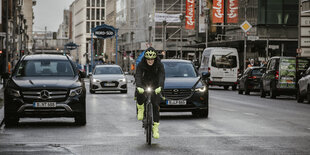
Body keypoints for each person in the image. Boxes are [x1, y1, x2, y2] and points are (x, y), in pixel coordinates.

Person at [135, 47, 165, 139]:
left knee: (155, 105)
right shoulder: (141, 64)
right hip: (144, 83)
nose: (150, 61)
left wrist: (160, 86)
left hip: (155, 85)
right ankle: (140, 108)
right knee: (139, 93)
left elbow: (161, 76)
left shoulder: (159, 65)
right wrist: (139, 86)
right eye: (148, 59)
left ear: (155, 59)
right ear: (146, 59)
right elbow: (138, 75)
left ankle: (155, 128)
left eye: (152, 59)